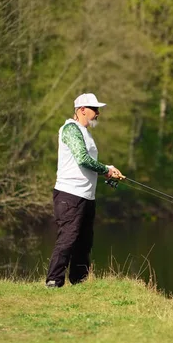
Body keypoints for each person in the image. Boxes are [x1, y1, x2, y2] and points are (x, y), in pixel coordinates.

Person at [45, 93, 125, 288]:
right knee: (68, 238)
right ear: (82, 110)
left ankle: (79, 282)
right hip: (69, 195)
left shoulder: (85, 131)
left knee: (84, 242)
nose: (98, 113)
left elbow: (85, 164)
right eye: (94, 109)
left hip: (87, 196)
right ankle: (54, 280)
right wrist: (106, 170)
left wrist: (107, 172)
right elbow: (82, 158)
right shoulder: (71, 129)